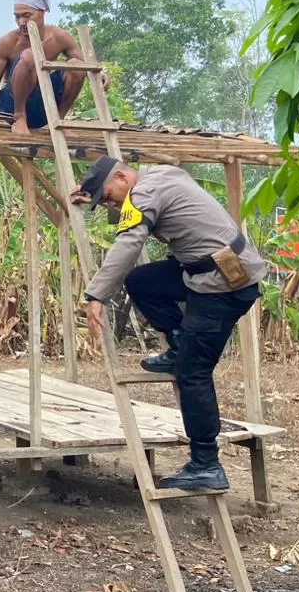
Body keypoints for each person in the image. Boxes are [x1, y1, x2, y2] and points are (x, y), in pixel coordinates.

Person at [72, 156, 267, 491]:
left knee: (193, 372)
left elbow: (130, 240)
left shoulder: (144, 194)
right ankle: (178, 343)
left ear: (121, 177)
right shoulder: (161, 175)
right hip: (212, 269)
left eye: (109, 197)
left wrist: (95, 295)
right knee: (142, 281)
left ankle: (206, 464)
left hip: (222, 284)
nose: (110, 204)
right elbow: (133, 211)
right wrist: (96, 194)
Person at [0, 0, 108, 135]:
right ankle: (20, 118)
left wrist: (101, 74)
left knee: (76, 65)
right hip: (10, 106)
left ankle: (59, 121)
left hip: (43, 108)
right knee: (29, 56)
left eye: (27, 15)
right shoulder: (8, 42)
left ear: (42, 12)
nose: (21, 22)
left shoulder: (58, 37)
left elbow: (85, 65)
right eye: (17, 17)